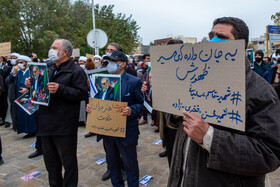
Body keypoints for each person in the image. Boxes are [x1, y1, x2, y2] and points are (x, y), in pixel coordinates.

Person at [168, 17, 280, 187]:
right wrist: (175, 111)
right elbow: (179, 123)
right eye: (211, 35)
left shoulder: (261, 91)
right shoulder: (196, 77)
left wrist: (209, 137)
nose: (212, 41)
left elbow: (269, 153)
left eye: (221, 37)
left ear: (240, 45)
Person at [29, 39, 88, 186]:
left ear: (64, 52)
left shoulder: (76, 71)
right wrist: (32, 85)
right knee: (51, 164)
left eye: (54, 48)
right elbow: (43, 91)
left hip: (64, 125)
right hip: (45, 123)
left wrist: (60, 89)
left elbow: (82, 94)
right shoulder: (49, 68)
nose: (51, 50)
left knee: (68, 164)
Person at [87, 50, 143, 187]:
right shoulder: (102, 81)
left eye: (113, 61)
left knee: (130, 164)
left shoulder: (134, 81)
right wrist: (91, 108)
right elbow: (97, 101)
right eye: (108, 61)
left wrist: (131, 110)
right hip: (108, 131)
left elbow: (142, 105)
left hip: (127, 131)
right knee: (113, 164)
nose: (109, 64)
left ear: (123, 64)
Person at [6, 55, 36, 137]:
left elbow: (36, 84)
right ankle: (25, 130)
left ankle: (32, 131)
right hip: (19, 97)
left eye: (21, 62)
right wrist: (13, 73)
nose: (19, 64)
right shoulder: (18, 72)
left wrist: (28, 90)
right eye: (18, 63)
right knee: (21, 115)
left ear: (26, 63)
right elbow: (8, 81)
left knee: (29, 115)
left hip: (29, 96)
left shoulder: (31, 71)